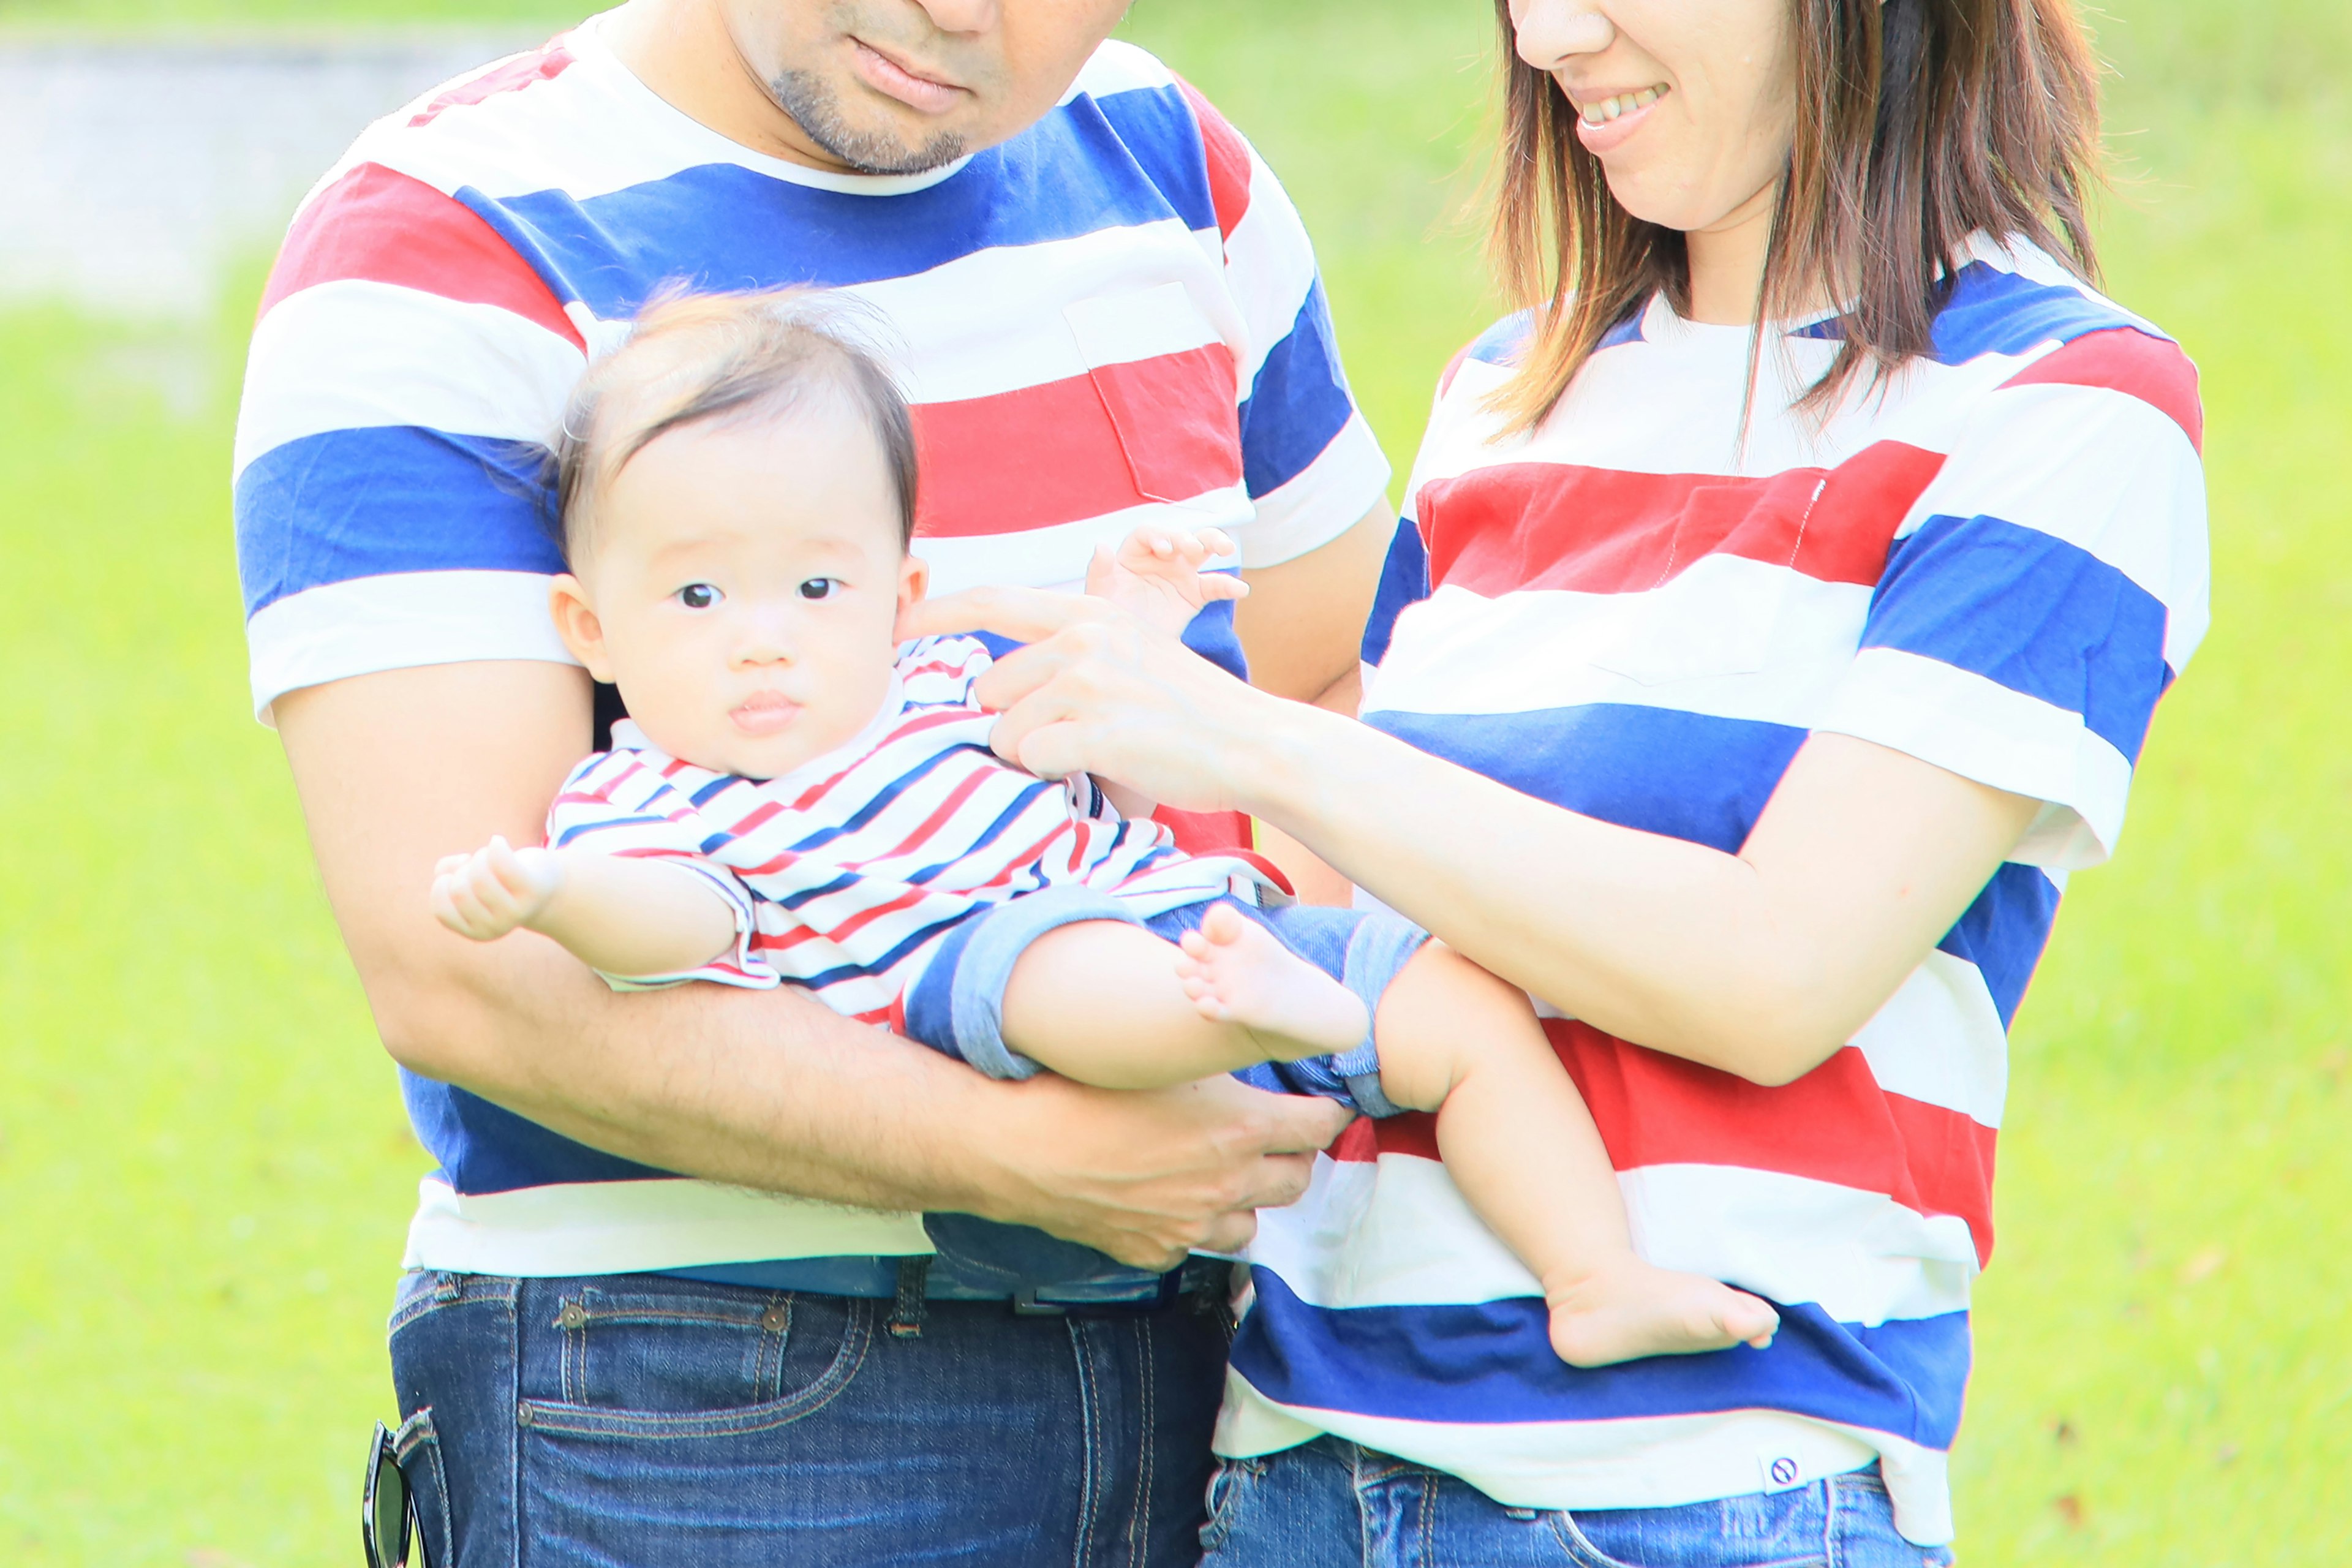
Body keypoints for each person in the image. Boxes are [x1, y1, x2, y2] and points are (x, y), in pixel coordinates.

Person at [905, 0, 2209, 1562]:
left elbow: (1774, 969)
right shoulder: (1513, 385)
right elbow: (1351, 919)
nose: (1548, 36)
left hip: (1692, 1494)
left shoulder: (2063, 405)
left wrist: (1246, 735)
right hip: (1294, 1467)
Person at [233, 1, 1398, 1561]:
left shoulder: (1170, 167)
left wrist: (1239, 1055)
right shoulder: (442, 236)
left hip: (1245, 1359)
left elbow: (1329, 671)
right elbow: (464, 967)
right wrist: (1028, 1152)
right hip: (712, 1387)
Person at [429, 287, 1782, 1363]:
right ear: (589, 628)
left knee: (1461, 1007)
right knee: (1054, 967)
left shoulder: (948, 681)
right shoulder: (645, 794)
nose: (764, 641)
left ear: (903, 591)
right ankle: (1244, 1014)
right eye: (700, 600)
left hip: (1205, 916)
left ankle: (1594, 1272)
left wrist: (1132, 619)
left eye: (815, 584)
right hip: (986, 996)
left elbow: (1107, 765)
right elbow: (675, 928)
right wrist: (552, 896)